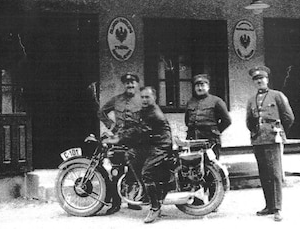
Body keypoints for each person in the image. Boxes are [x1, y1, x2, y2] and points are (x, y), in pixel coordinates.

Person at [105, 86, 173, 224]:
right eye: (142, 97)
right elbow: (134, 125)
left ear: (154, 98)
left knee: (146, 172)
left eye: (147, 97)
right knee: (130, 155)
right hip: (151, 143)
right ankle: (144, 189)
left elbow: (139, 131)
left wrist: (117, 139)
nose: (144, 100)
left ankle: (155, 207)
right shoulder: (145, 110)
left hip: (161, 145)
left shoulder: (154, 113)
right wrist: (118, 133)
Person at [245, 66, 295, 222]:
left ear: (267, 80)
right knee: (264, 173)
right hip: (258, 139)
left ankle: (278, 208)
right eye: (256, 79)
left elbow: (289, 117)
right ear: (254, 82)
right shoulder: (251, 100)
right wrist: (255, 132)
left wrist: (279, 131)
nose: (259, 81)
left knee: (275, 174)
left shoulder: (277, 95)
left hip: (273, 138)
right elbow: (249, 121)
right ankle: (269, 206)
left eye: (262, 78)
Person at [97, 72, 142, 214]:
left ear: (136, 84)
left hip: (136, 140)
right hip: (120, 139)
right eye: (127, 82)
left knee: (135, 170)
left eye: (132, 82)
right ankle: (115, 204)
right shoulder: (117, 100)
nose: (130, 84)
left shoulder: (142, 100)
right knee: (117, 171)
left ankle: (132, 199)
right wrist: (111, 126)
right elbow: (101, 112)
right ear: (124, 84)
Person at [185, 74, 231, 159]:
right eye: (197, 85)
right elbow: (187, 121)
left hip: (210, 140)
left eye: (202, 85)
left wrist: (215, 131)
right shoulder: (190, 102)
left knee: (212, 165)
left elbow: (227, 120)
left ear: (208, 87)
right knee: (194, 165)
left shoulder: (216, 101)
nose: (200, 88)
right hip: (193, 139)